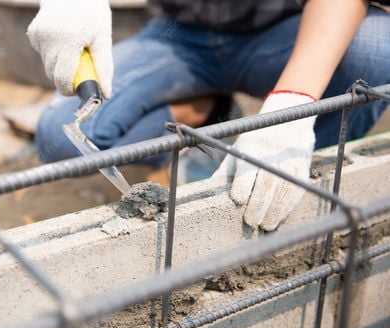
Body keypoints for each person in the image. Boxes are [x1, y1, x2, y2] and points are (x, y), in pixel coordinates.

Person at [26, 0, 390, 231]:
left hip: (283, 30)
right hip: (179, 35)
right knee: (59, 139)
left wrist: (292, 104)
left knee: (380, 48)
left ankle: (291, 192)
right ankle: (207, 112)